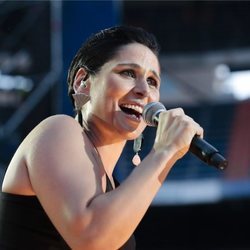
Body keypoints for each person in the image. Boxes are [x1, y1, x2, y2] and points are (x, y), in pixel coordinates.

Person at [0, 26, 203, 250]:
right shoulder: (57, 129)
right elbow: (91, 238)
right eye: (128, 73)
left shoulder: (113, 188)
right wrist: (164, 151)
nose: (144, 90)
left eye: (153, 81)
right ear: (82, 82)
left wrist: (168, 154)